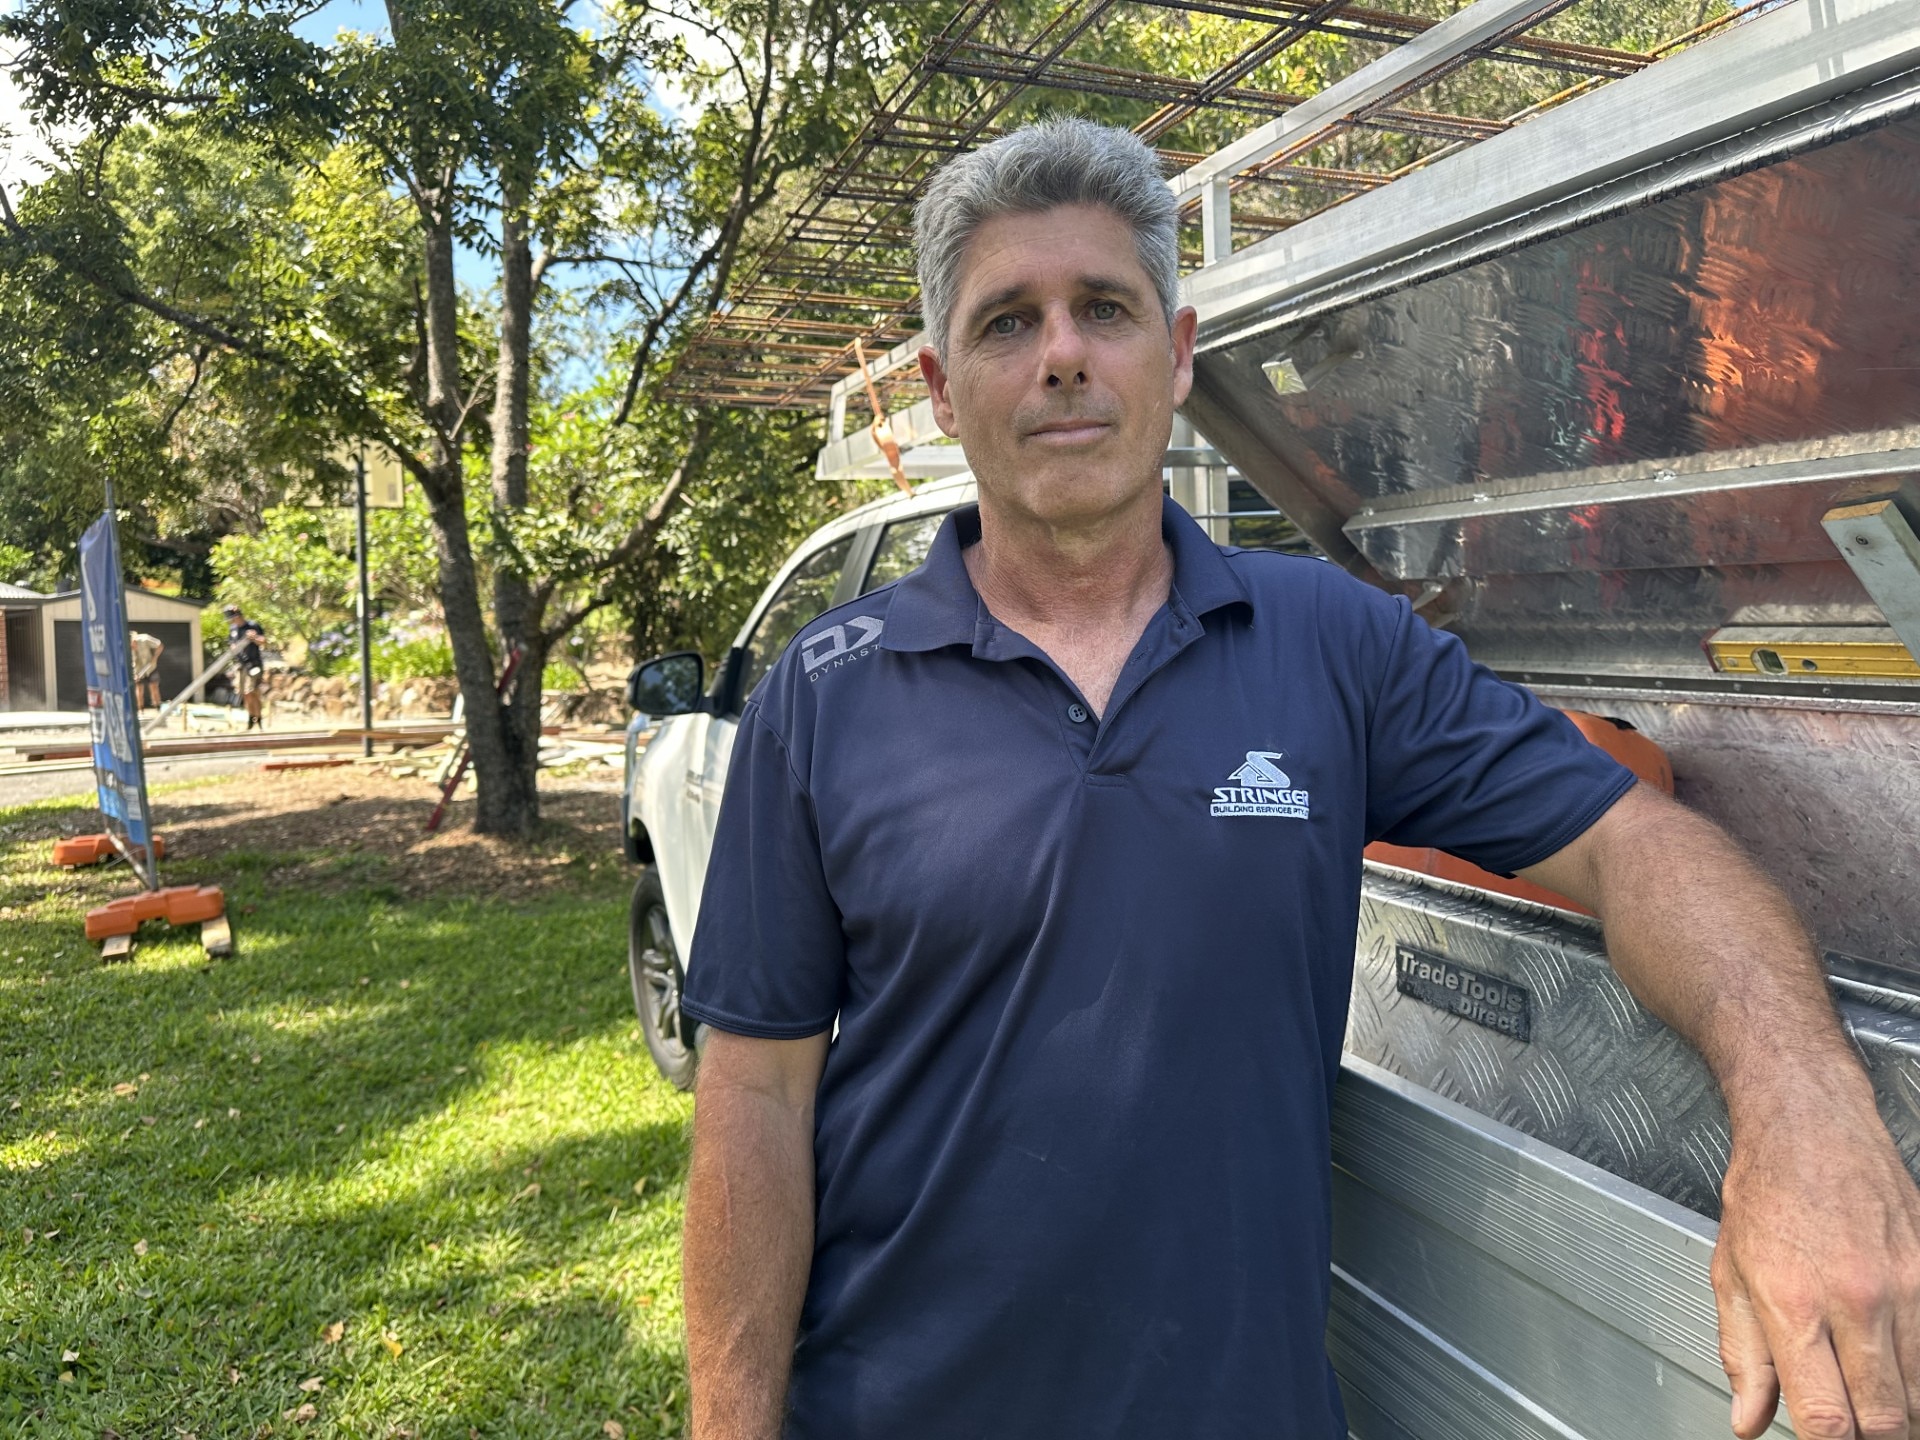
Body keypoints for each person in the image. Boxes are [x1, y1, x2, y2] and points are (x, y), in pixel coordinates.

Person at [679, 119, 1920, 1440]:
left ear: (1180, 351)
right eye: (1005, 323)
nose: (1061, 356)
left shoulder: (1335, 643)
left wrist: (1804, 1111)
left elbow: (1633, 841)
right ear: (940, 387)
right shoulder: (828, 689)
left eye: (1105, 308)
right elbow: (757, 1099)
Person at [222, 603, 267, 731]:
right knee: (245, 694)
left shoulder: (252, 626)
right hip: (241, 666)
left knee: (253, 692)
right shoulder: (233, 630)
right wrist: (234, 649)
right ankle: (250, 719)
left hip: (253, 664)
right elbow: (231, 645)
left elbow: (263, 641)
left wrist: (254, 638)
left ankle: (259, 720)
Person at [128, 630, 164, 710]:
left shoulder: (144, 639)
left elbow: (160, 646)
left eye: (132, 644)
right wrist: (134, 675)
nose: (132, 646)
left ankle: (158, 707)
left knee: (153, 687)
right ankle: (140, 710)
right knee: (139, 690)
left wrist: (155, 658)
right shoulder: (127, 649)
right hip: (138, 671)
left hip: (151, 667)